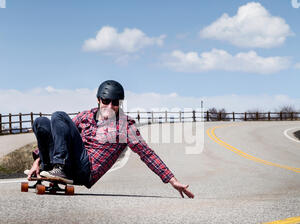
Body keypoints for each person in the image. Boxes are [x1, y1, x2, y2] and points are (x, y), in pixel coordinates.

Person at [27, 80, 194, 199]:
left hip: (86, 170)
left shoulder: (125, 126)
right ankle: (49, 169)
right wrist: (38, 160)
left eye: (115, 103)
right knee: (41, 123)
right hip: (68, 163)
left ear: (119, 104)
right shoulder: (85, 115)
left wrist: (172, 180)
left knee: (59, 116)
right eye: (106, 101)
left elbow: (147, 154)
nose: (110, 106)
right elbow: (61, 136)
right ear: (98, 100)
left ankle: (59, 168)